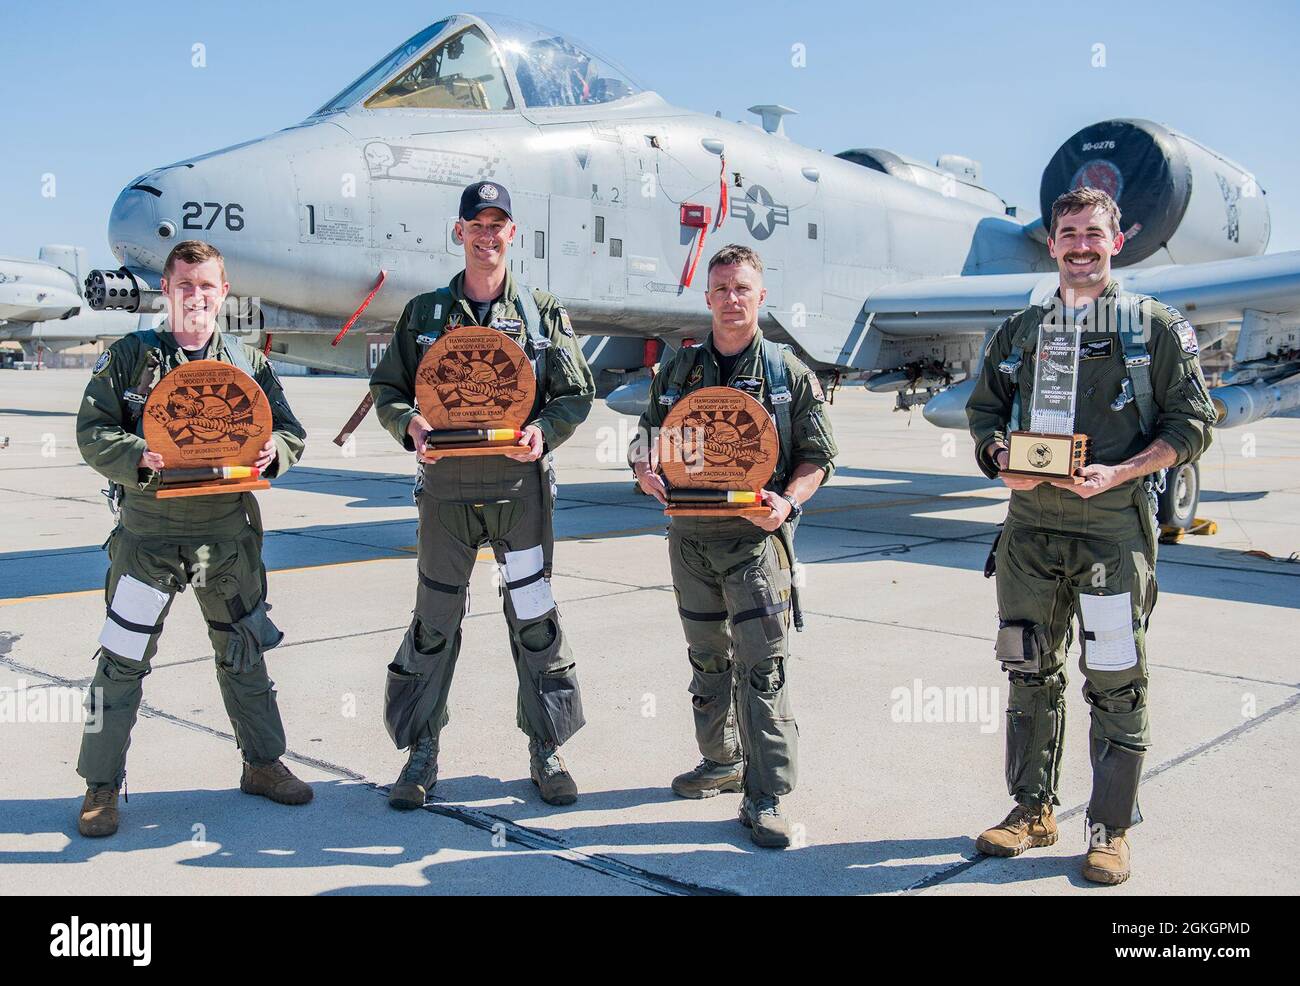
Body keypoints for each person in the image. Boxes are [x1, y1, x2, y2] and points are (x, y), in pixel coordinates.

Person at [966, 187, 1217, 884]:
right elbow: (984, 410)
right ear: (1052, 243)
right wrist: (997, 461)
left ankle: (1109, 830)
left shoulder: (1151, 329)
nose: (1080, 246)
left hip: (1111, 534)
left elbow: (1192, 424)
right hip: (1030, 535)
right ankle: (1031, 812)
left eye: (1093, 234)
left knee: (1115, 683)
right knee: (1028, 671)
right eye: (1068, 233)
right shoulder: (1021, 330)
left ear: (1117, 242)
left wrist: (1125, 471)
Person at [369, 180, 595, 808]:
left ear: (511, 234)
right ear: (459, 231)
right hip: (446, 493)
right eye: (477, 224)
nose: (487, 235)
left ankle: (546, 749)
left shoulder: (544, 314)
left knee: (534, 619)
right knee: (435, 621)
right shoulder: (423, 316)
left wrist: (543, 433)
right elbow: (389, 389)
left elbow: (576, 393)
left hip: (518, 491)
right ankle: (421, 753)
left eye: (498, 224)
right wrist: (408, 425)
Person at [75, 239, 311, 838]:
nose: (196, 296)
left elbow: (289, 432)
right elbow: (92, 431)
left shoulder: (246, 362)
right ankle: (102, 786)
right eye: (185, 285)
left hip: (224, 539)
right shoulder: (131, 356)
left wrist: (272, 453)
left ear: (223, 291)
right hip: (147, 539)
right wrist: (137, 456)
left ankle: (263, 764)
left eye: (207, 285)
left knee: (243, 654)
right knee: (122, 661)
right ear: (167, 289)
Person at [629, 244, 838, 848]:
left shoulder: (786, 373)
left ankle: (767, 794)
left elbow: (818, 456)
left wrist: (789, 502)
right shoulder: (678, 370)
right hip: (690, 539)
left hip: (754, 541)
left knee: (763, 667)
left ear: (760, 295)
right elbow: (648, 437)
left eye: (742, 288)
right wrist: (644, 469)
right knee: (707, 656)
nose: (731, 299)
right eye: (721, 289)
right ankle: (721, 761)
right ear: (708, 297)